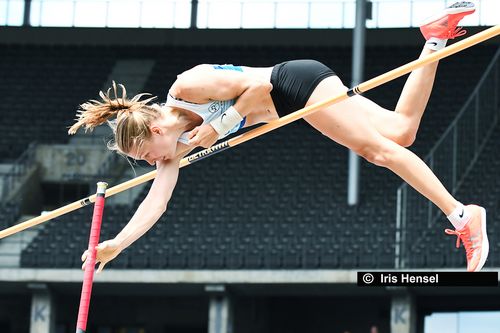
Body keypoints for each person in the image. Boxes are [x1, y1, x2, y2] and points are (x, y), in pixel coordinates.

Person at [71, 1, 487, 273]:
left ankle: (462, 215)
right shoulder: (172, 150)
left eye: (145, 152)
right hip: (290, 103)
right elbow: (155, 203)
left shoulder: (190, 85)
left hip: (292, 81)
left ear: (156, 128)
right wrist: (117, 246)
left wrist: (218, 125)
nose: (149, 162)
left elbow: (260, 89)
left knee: (378, 151)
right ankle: (435, 35)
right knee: (402, 130)